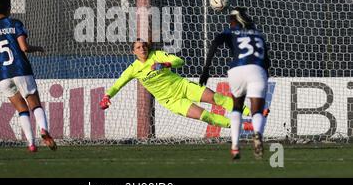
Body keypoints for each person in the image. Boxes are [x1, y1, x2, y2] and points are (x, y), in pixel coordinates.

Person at [99, 39, 253, 130]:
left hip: (182, 86)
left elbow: (179, 61)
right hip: (172, 101)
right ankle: (243, 126)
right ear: (134, 52)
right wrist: (107, 96)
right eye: (138, 47)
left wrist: (165, 64)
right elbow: (118, 84)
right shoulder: (133, 69)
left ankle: (250, 112)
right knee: (206, 116)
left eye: (144, 45)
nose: (142, 48)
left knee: (216, 98)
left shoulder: (156, 55)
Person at [0, 0, 57, 152]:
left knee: (21, 109)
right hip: (20, 70)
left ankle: (31, 143)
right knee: (34, 104)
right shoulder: (15, 23)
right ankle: (44, 130)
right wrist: (38, 48)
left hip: (3, 75)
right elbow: (24, 47)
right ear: (9, 8)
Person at [199, 7, 270, 160]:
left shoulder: (229, 31)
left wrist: (206, 69)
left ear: (233, 21)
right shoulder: (259, 35)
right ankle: (257, 134)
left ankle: (235, 147)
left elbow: (214, 44)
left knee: (237, 107)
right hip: (257, 70)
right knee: (257, 111)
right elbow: (267, 61)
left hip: (237, 70)